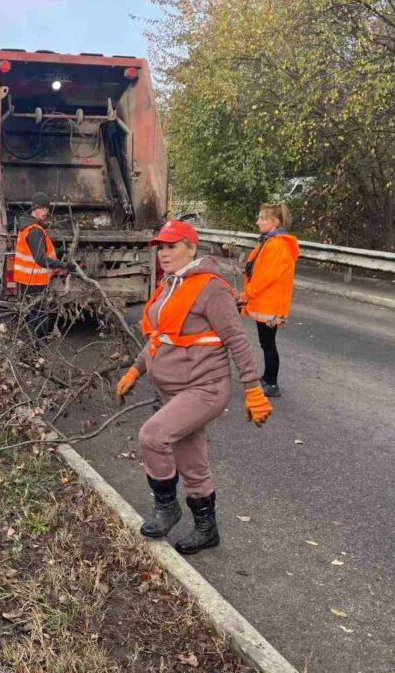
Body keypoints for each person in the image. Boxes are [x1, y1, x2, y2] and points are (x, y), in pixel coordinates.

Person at [116, 219, 272, 555]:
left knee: (152, 436)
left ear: (192, 247)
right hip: (174, 390)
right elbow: (162, 337)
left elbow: (237, 341)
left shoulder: (210, 288)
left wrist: (254, 389)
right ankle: (207, 529)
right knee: (192, 461)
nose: (164, 253)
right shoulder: (170, 285)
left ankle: (167, 508)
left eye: (172, 246)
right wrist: (135, 369)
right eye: (161, 247)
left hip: (205, 388)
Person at [238, 202, 299, 398]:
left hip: (270, 305)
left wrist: (246, 294)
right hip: (267, 303)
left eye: (262, 218)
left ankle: (272, 383)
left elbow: (264, 276)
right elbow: (258, 270)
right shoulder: (271, 242)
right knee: (267, 343)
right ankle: (268, 378)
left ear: (275, 221)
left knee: (269, 344)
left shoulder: (277, 244)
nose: (258, 222)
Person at [13, 192, 70, 336]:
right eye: (42, 208)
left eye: (47, 209)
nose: (46, 212)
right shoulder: (34, 230)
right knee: (39, 317)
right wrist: (62, 265)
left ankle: (33, 349)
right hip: (35, 281)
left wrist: (59, 250)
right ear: (34, 208)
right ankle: (37, 348)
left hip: (28, 279)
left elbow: (39, 251)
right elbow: (40, 259)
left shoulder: (28, 226)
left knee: (33, 315)